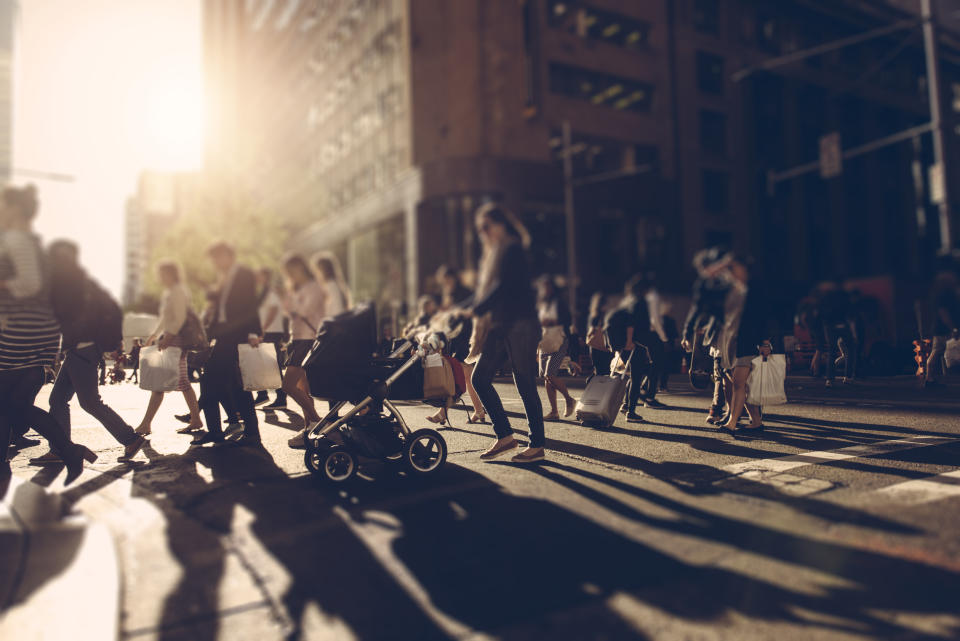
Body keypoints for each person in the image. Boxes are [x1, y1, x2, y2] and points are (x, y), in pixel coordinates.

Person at [0, 185, 96, 484]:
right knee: (8, 405)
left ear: (13, 209)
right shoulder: (29, 242)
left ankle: (69, 450)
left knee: (12, 406)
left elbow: (28, 284)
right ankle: (9, 463)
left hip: (20, 335)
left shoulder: (16, 240)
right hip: (30, 334)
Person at [32, 240, 146, 464]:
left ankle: (130, 438)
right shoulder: (82, 282)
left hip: (82, 349)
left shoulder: (69, 283)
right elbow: (112, 309)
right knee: (57, 400)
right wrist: (111, 344)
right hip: (79, 350)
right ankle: (60, 448)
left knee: (90, 402)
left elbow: (60, 320)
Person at [466, 203, 546, 463]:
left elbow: (502, 288)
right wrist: (462, 308)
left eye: (486, 227)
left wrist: (477, 307)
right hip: (501, 325)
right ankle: (505, 436)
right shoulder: (496, 253)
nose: (483, 233)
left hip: (521, 323)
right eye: (480, 229)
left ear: (500, 225)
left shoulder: (512, 249)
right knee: (479, 379)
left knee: (524, 382)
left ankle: (537, 445)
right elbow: (486, 290)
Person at [192, 241, 263, 447]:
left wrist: (252, 332)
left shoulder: (243, 274)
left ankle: (210, 426)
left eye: (216, 258)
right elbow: (221, 307)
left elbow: (251, 304)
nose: (214, 263)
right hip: (223, 334)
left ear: (226, 255)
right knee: (237, 385)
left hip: (236, 335)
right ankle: (250, 431)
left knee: (209, 381)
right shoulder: (224, 277)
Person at [134, 261, 204, 436]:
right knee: (179, 383)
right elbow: (165, 317)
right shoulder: (170, 292)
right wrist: (154, 335)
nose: (160, 277)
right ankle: (195, 419)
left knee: (162, 384)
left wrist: (169, 336)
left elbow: (179, 317)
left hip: (176, 342)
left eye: (162, 273)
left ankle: (146, 424)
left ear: (171, 274)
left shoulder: (179, 291)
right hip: (171, 340)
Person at [712, 251, 779, 434]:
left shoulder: (754, 289)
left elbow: (763, 317)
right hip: (729, 342)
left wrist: (765, 342)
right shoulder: (730, 290)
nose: (731, 272)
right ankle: (756, 422)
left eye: (734, 268)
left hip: (747, 341)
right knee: (744, 384)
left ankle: (732, 423)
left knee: (739, 383)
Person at [279, 255, 327, 449]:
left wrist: (288, 301)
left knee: (287, 385)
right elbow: (290, 313)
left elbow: (304, 312)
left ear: (300, 267)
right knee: (304, 389)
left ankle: (318, 422)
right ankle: (309, 429)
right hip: (298, 339)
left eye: (292, 271)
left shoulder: (314, 287)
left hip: (309, 339)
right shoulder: (297, 289)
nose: (290, 275)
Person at [682, 247, 731, 424]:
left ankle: (734, 411)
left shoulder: (733, 281)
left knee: (735, 375)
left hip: (739, 334)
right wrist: (687, 333)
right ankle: (720, 409)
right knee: (720, 373)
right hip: (718, 334)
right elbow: (696, 310)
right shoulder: (704, 285)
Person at [536, 277, 577, 421]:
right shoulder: (542, 303)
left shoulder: (560, 303)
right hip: (544, 340)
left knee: (550, 374)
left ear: (553, 288)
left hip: (559, 339)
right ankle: (554, 411)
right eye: (543, 287)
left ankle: (569, 399)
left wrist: (574, 356)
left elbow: (569, 324)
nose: (545, 290)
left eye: (547, 287)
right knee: (547, 378)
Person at [254, 268, 287, 409]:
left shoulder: (270, 291)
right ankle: (263, 394)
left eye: (259, 275)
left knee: (273, 366)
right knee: (263, 364)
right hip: (268, 331)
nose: (256, 277)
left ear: (265, 276)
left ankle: (280, 397)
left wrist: (264, 328)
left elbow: (273, 310)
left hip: (272, 331)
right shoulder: (264, 291)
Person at [313, 251, 351, 317]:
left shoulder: (331, 285)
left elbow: (338, 310)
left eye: (317, 270)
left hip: (337, 323)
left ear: (323, 270)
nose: (316, 274)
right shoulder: (335, 284)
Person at [586, 292, 614, 377]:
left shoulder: (593, 316)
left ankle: (597, 388)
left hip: (595, 347)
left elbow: (590, 332)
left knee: (598, 370)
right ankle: (604, 389)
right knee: (606, 371)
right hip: (606, 346)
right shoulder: (608, 315)